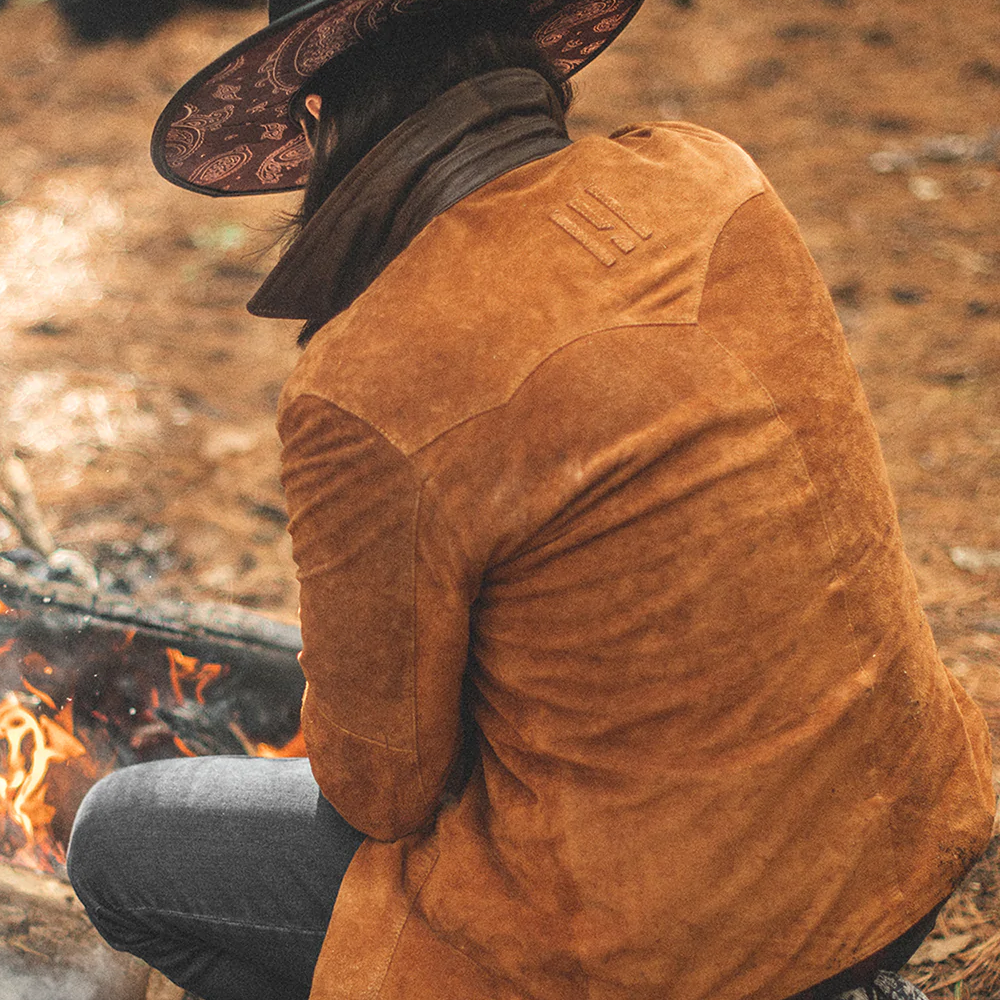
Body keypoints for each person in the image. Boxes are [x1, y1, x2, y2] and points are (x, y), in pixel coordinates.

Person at [66, 2, 996, 999]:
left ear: (327, 120)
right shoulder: (712, 176)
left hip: (655, 950)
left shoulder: (367, 373)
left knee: (115, 839)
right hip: (897, 847)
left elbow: (377, 790)